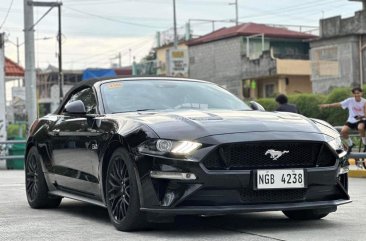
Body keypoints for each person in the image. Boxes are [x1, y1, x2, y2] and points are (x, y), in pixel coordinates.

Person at [319, 87, 366, 152]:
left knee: (360, 128)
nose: (357, 95)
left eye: (358, 93)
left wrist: (361, 117)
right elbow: (339, 104)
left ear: (361, 93)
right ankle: (351, 144)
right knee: (343, 132)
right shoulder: (350, 100)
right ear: (353, 94)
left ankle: (365, 144)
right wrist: (327, 105)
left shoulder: (364, 101)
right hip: (351, 120)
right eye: (355, 93)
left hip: (362, 119)